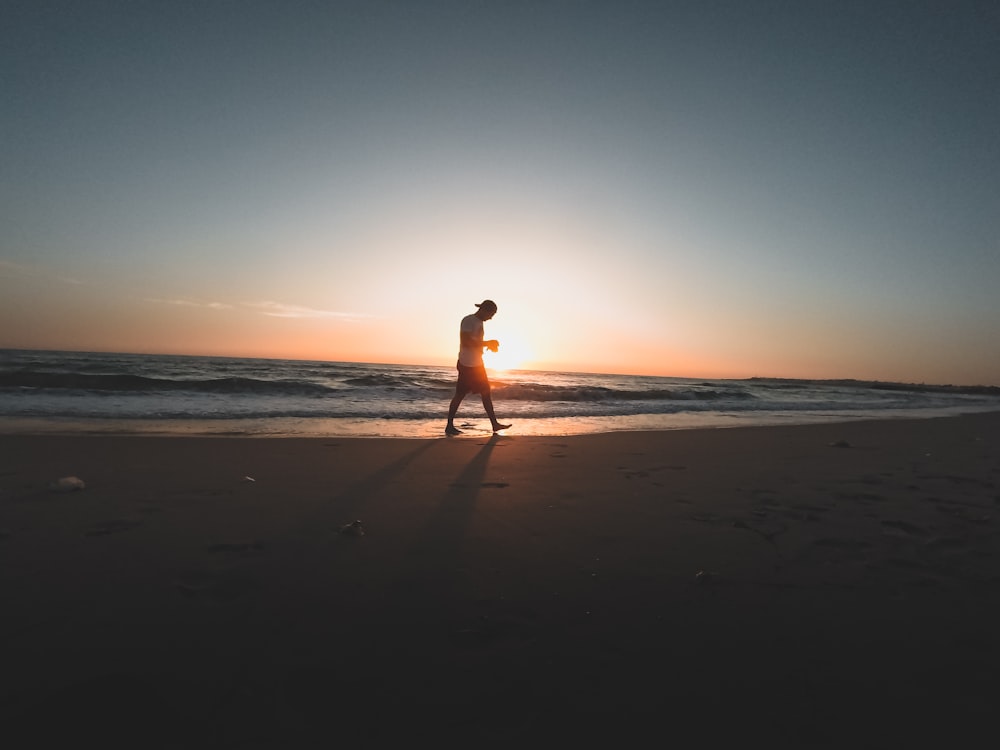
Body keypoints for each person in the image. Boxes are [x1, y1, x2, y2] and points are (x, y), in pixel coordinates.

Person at [446, 299, 512, 435]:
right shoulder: (468, 320)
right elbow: (466, 342)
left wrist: (488, 346)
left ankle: (495, 424)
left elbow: (476, 343)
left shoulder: (479, 322)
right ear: (485, 310)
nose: (491, 317)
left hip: (477, 364)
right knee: (460, 394)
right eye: (491, 314)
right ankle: (449, 425)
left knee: (486, 393)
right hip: (467, 364)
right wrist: (487, 343)